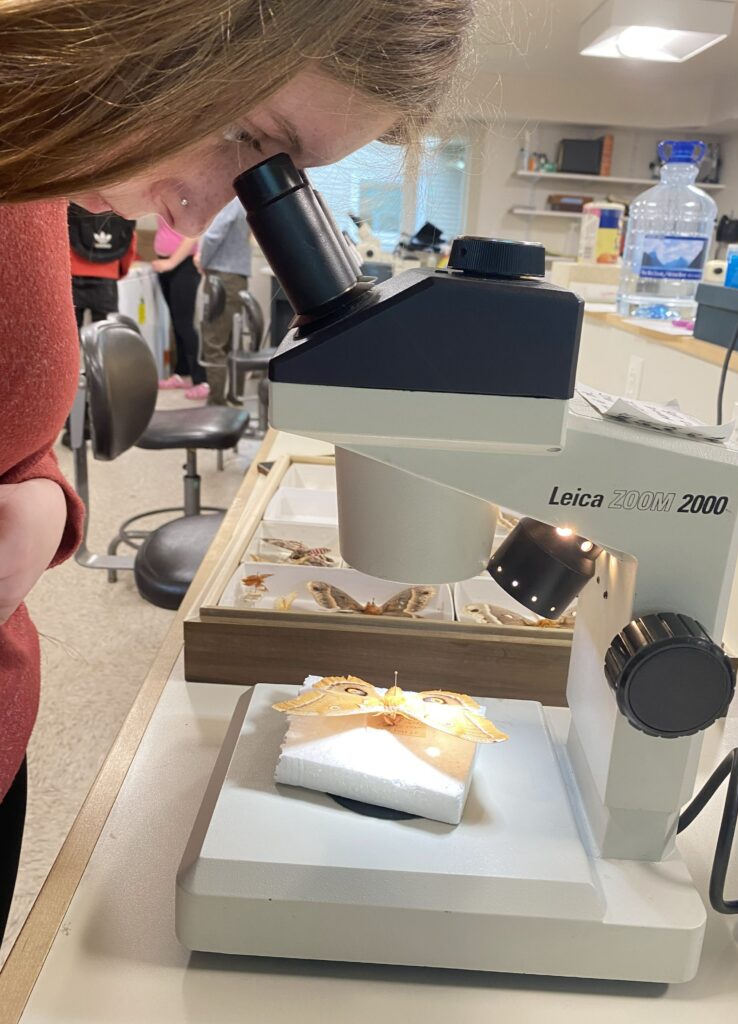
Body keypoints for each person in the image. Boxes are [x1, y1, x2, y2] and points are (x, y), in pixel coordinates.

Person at [0, 0, 475, 948]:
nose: (195, 215)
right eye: (250, 135)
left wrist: (44, 503)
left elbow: (19, 432)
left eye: (271, 174)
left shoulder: (35, 170)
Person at [196, 198, 252, 406]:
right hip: (237, 278)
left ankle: (216, 404)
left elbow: (213, 235)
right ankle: (233, 398)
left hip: (222, 276)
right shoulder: (245, 199)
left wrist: (202, 261)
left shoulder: (230, 199)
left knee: (214, 341)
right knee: (231, 341)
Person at [152, 221, 206, 399]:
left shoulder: (187, 197)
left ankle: (201, 380)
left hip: (182, 266)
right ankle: (182, 373)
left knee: (185, 324)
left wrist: (172, 262)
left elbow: (194, 233)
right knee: (177, 323)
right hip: (166, 264)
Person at [68, 203, 137, 327]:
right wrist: (120, 272)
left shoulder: (74, 202)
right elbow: (129, 242)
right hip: (107, 276)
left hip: (73, 275)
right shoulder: (119, 205)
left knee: (70, 332)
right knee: (107, 331)